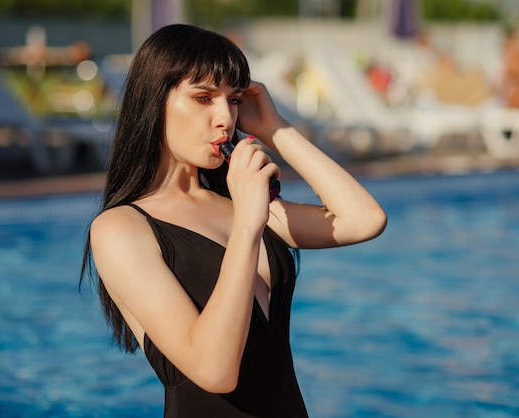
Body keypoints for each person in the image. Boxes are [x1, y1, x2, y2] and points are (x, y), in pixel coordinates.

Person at [80, 24, 386, 418]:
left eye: (234, 99)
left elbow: (365, 219)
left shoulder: (242, 202)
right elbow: (215, 371)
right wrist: (247, 225)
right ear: (154, 101)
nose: (225, 116)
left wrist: (274, 128)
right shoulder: (122, 228)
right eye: (203, 97)